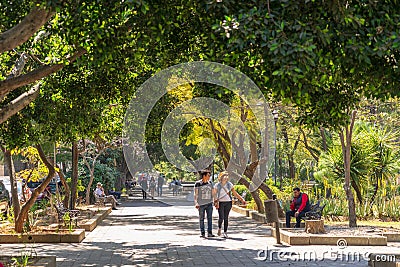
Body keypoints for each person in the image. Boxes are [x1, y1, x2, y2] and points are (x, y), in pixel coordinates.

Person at [213, 171, 246, 238]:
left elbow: (235, 193)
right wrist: (215, 201)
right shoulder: (217, 185)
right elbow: (214, 194)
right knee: (221, 217)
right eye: (225, 176)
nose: (226, 177)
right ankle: (219, 228)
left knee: (226, 218)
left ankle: (225, 232)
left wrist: (242, 199)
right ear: (221, 177)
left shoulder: (229, 184)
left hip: (228, 202)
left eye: (227, 176)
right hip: (221, 203)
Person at [194, 169, 215, 238]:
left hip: (209, 203)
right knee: (201, 218)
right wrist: (196, 202)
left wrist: (216, 201)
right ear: (204, 176)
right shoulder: (198, 183)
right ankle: (202, 233)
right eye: (208, 175)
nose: (209, 176)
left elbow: (213, 193)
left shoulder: (210, 183)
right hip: (201, 203)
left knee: (210, 218)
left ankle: (210, 233)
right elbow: (196, 194)